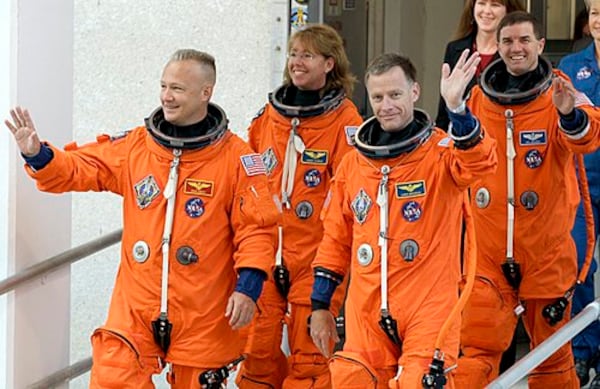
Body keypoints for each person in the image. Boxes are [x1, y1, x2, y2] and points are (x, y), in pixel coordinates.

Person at [4, 49, 279, 388]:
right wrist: (38, 154)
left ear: (205, 92)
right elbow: (81, 168)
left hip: (204, 308)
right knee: (112, 375)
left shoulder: (237, 159)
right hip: (136, 305)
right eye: (163, 85)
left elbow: (257, 230)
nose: (166, 95)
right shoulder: (137, 147)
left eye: (177, 88)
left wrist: (248, 288)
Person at [308, 49, 498, 388]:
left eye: (395, 94)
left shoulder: (441, 152)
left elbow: (480, 163)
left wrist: (457, 110)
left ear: (414, 92)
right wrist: (321, 304)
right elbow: (335, 239)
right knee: (350, 380)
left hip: (429, 308)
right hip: (366, 311)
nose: (386, 105)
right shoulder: (354, 165)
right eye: (378, 97)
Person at [453, 11, 600, 388]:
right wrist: (455, 110)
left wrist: (568, 115)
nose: (515, 48)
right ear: (497, 46)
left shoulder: (560, 89)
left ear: (540, 45)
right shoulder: (477, 96)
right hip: (487, 254)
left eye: (523, 40)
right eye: (507, 41)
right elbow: (462, 160)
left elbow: (588, 135)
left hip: (544, 252)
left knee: (551, 359)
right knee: (475, 352)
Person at [236, 23, 363, 389]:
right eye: (293, 54)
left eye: (307, 55)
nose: (297, 62)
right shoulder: (267, 118)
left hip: (315, 255)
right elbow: (251, 177)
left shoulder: (345, 122)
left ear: (328, 64)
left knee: (311, 358)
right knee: (256, 350)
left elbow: (350, 193)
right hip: (268, 252)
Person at [558, 1, 600, 386]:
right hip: (585, 185)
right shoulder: (571, 67)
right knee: (580, 270)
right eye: (596, 13)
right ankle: (583, 354)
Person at [436, 0, 526, 131]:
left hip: (501, 138)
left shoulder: (517, 52)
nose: (487, 11)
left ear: (509, 11)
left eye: (495, 5)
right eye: (482, 3)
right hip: (462, 137)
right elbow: (445, 108)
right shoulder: (455, 49)